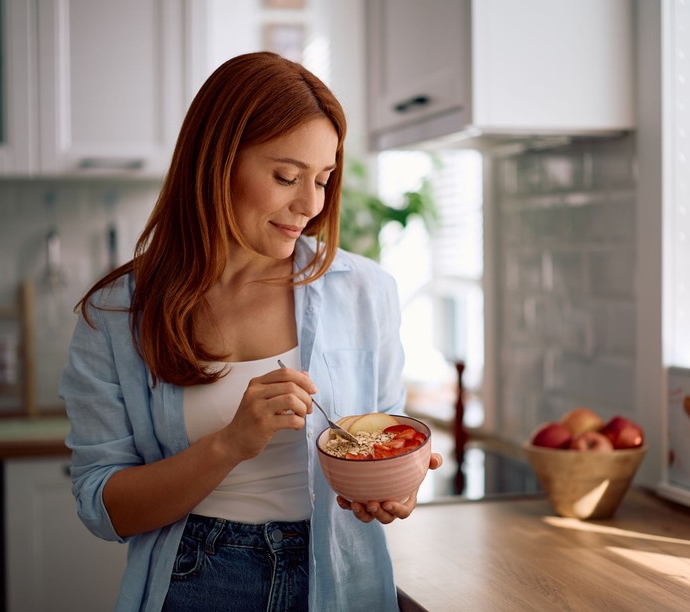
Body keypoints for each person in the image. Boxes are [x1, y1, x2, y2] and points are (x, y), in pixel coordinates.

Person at [59, 51, 442, 612]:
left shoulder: (365, 291)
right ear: (217, 162)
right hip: (198, 582)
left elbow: (382, 434)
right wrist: (229, 444)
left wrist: (394, 488)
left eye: (323, 180)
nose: (309, 204)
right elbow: (103, 507)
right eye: (286, 177)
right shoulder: (119, 313)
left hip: (343, 582)